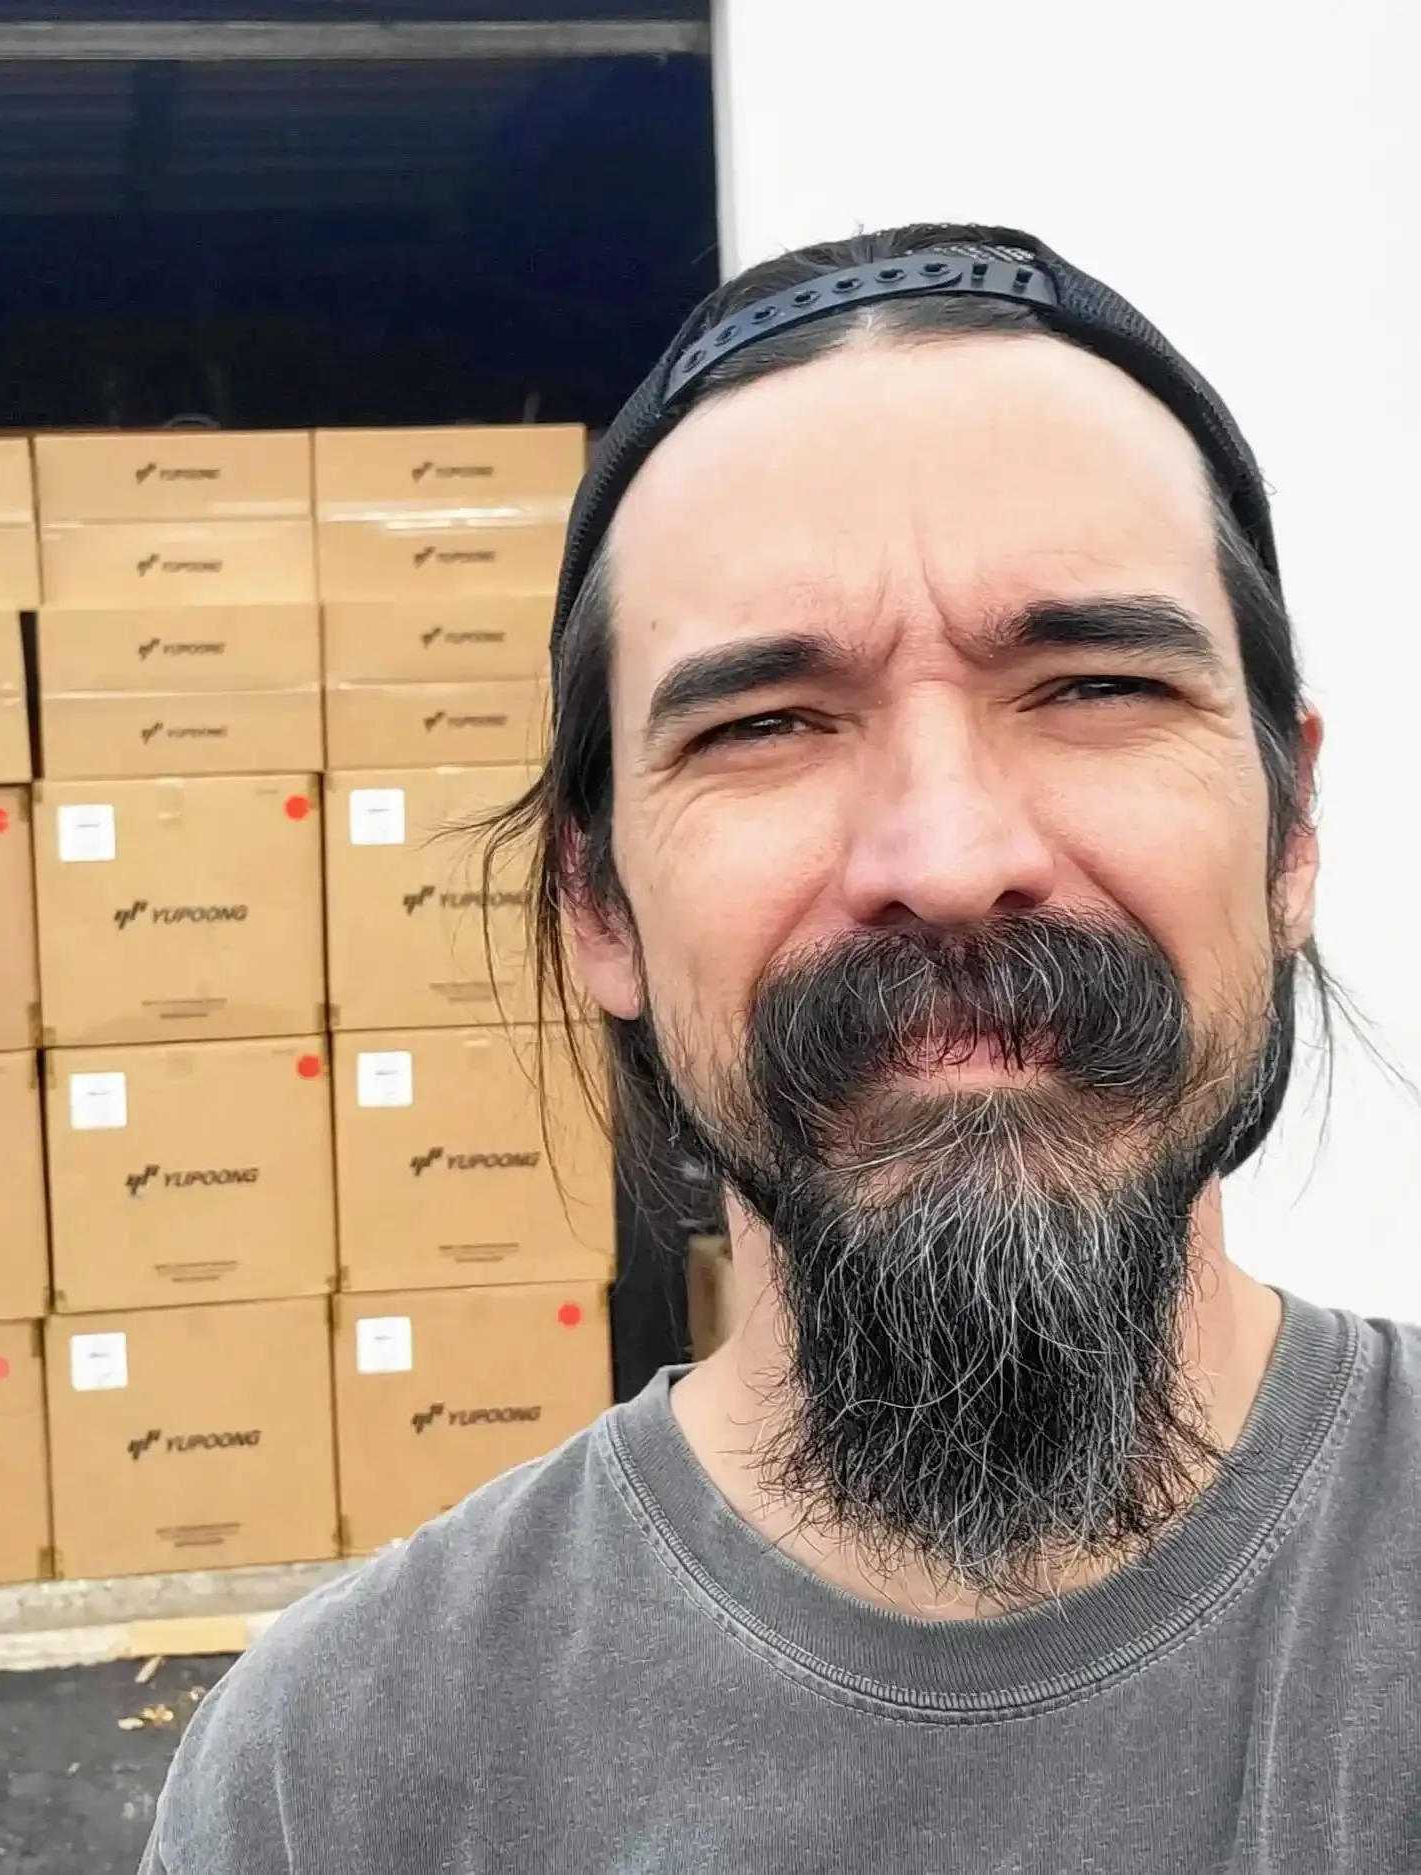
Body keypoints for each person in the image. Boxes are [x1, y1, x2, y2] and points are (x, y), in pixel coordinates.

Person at [139, 224, 1421, 1871]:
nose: (947, 856)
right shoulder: (338, 1779)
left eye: (1094, 685)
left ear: (1290, 830)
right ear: (598, 903)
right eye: (762, 724)